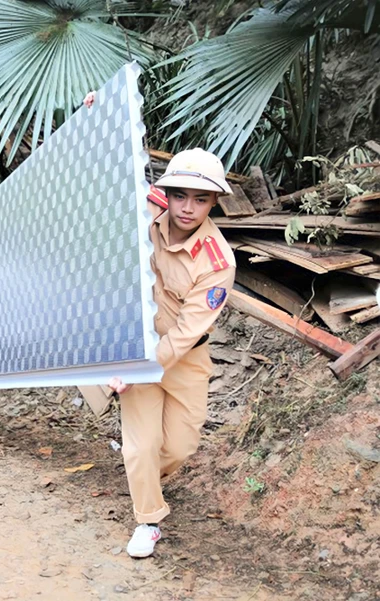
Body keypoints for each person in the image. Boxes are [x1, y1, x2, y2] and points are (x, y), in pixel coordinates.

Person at [106, 148, 236, 559]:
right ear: (168, 193)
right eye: (180, 195)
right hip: (138, 345)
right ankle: (148, 519)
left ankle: (141, 475)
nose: (187, 207)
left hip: (185, 357)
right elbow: (106, 174)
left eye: (201, 199)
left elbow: (183, 335)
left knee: (180, 446)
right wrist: (94, 110)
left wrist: (143, 368)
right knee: (141, 446)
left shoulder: (218, 263)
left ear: (214, 202)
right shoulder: (146, 210)